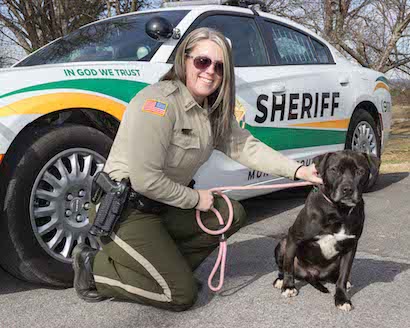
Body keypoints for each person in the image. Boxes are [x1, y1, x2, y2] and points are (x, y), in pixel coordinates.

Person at [72, 27, 323, 311]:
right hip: (126, 211)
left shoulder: (210, 112)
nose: (210, 71)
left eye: (219, 66)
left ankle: (164, 272)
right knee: (180, 295)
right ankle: (94, 267)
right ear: (184, 60)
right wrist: (195, 199)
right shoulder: (158, 103)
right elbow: (144, 180)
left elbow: (247, 148)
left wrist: (300, 171)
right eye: (202, 61)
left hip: (163, 206)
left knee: (230, 214)